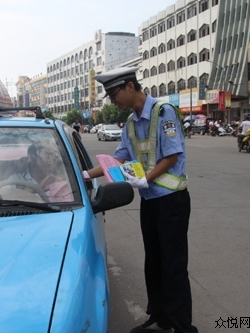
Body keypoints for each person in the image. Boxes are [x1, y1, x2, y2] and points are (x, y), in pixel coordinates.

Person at [83, 67, 198, 333]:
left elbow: (172, 156)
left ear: (131, 86)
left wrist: (146, 178)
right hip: (150, 200)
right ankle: (160, 318)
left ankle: (182, 326)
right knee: (154, 262)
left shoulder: (163, 112)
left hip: (172, 200)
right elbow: (119, 158)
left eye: (115, 94)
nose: (114, 101)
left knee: (174, 265)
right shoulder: (132, 123)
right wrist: (86, 175)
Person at [7, 143, 72, 202]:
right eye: (48, 154)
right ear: (32, 157)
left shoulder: (62, 182)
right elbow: (6, 198)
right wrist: (40, 187)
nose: (53, 158)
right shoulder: (16, 180)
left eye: (55, 154)